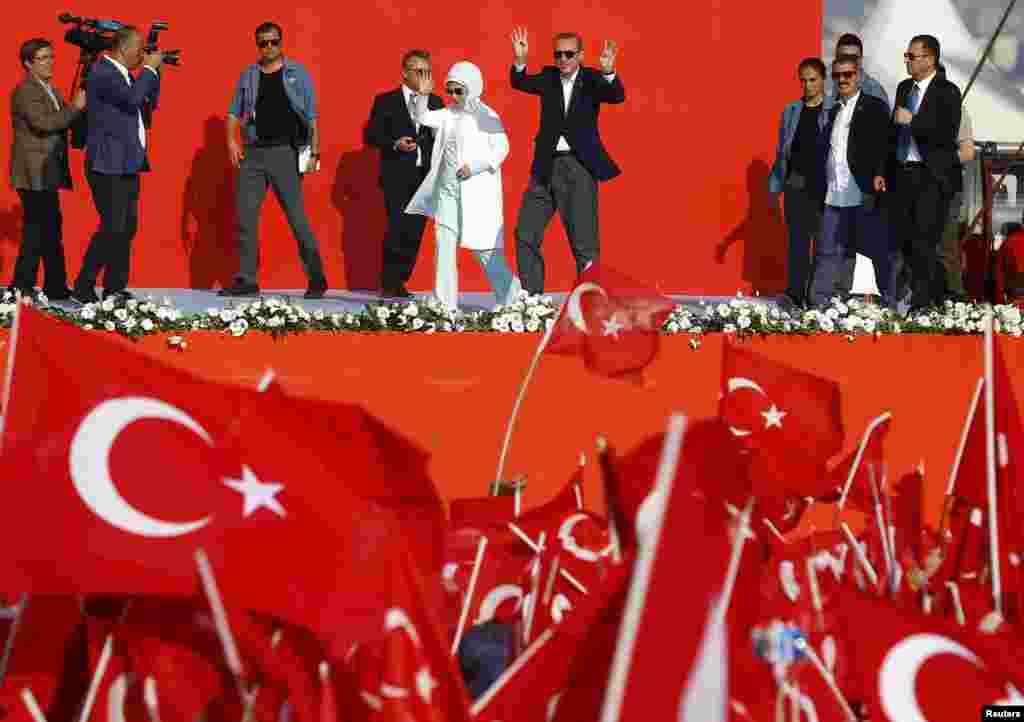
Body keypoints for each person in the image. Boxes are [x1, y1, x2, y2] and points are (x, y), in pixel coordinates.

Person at [509, 28, 625, 296]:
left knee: (584, 244)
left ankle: (590, 303)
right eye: (558, 54)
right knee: (526, 233)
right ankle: (531, 300)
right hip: (545, 166)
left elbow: (616, 96)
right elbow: (519, 82)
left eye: (569, 54)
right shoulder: (549, 78)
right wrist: (520, 60)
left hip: (579, 166)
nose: (563, 59)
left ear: (580, 56)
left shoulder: (593, 79)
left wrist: (608, 71)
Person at [221, 22, 327, 299]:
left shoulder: (297, 72)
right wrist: (232, 141)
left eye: (273, 42)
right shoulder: (249, 75)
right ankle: (246, 280)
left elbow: (312, 115)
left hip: (285, 153)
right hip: (253, 152)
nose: (268, 47)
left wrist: (314, 152)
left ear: (281, 42)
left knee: (296, 217)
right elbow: (233, 112)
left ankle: (316, 277)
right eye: (263, 43)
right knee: (245, 217)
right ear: (257, 45)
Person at [405, 62, 522, 310]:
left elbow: (502, 148)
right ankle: (444, 305)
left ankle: (513, 297)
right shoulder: (448, 114)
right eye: (450, 91)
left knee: (484, 250)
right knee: (444, 246)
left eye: (459, 91)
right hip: (446, 192)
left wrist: (475, 166)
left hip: (476, 194)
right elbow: (422, 116)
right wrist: (424, 95)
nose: (454, 96)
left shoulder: (488, 116)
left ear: (473, 88)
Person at [72, 26, 164, 304]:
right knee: (112, 226)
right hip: (107, 162)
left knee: (127, 226)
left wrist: (155, 73)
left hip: (127, 161)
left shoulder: (123, 75)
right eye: (139, 48)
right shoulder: (103, 72)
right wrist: (148, 70)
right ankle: (83, 286)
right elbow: (132, 100)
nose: (142, 54)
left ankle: (114, 287)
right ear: (124, 48)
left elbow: (148, 102)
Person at [808, 55, 893, 308]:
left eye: (847, 74)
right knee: (829, 251)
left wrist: (880, 173)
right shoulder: (834, 110)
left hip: (863, 191)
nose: (842, 80)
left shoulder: (874, 106)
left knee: (877, 250)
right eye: (837, 75)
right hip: (834, 193)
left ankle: (890, 304)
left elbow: (884, 145)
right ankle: (822, 305)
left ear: (858, 76)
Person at [9, 38, 85, 300]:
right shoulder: (26, 90)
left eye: (51, 56)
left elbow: (64, 120)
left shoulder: (50, 88)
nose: (49, 62)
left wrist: (76, 111)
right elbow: (44, 123)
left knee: (50, 227)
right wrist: (75, 107)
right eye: (42, 58)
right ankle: (22, 286)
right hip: (33, 173)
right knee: (37, 229)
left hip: (46, 172)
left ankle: (54, 285)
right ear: (28, 63)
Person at [889, 34, 961, 311]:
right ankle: (921, 298)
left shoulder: (947, 91)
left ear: (930, 59)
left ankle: (925, 304)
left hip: (931, 176)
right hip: (904, 173)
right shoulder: (904, 88)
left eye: (911, 56)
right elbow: (893, 132)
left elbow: (946, 134)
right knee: (906, 241)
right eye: (906, 56)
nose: (906, 61)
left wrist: (913, 121)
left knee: (925, 242)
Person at [366, 50, 444, 299]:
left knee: (415, 231)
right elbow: (371, 136)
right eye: (419, 71)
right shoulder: (385, 101)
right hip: (397, 175)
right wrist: (395, 143)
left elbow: (443, 137)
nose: (424, 76)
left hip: (425, 177)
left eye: (427, 71)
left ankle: (400, 279)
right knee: (397, 226)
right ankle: (390, 282)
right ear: (405, 72)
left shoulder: (436, 102)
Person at [768, 58, 834, 308]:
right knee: (797, 243)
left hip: (822, 185)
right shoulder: (791, 111)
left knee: (821, 244)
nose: (807, 85)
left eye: (813, 80)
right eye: (803, 80)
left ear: (823, 79)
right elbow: (781, 151)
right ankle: (794, 294)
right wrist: (775, 186)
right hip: (795, 183)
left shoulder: (834, 109)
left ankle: (816, 298)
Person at [831, 33, 890, 109]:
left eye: (853, 58)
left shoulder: (875, 92)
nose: (848, 62)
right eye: (843, 57)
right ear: (836, 58)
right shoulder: (826, 85)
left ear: (861, 60)